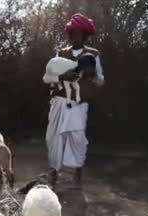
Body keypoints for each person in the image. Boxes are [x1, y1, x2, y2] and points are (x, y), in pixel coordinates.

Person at [42, 13, 105, 189]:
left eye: (79, 34)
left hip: (78, 104)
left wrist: (93, 77)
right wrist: (62, 75)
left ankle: (77, 173)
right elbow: (48, 77)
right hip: (59, 102)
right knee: (52, 138)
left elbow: (101, 79)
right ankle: (53, 172)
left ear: (85, 35)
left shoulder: (93, 54)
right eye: (73, 33)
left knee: (77, 138)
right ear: (69, 35)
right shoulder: (60, 53)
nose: (75, 36)